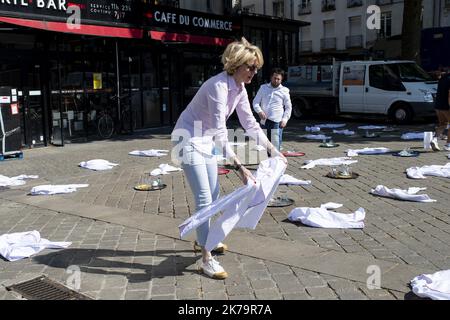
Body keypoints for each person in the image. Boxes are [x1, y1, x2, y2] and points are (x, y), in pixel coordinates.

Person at [171, 38, 286, 280]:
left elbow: (250, 124)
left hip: (206, 140)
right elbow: (220, 132)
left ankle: (204, 239)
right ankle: (206, 258)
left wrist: (273, 150)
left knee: (213, 196)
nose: (255, 72)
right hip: (187, 138)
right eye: (251, 67)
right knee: (204, 196)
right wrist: (240, 167)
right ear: (236, 64)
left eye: (257, 68)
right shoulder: (218, 87)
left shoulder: (240, 88)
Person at [252, 68, 292, 151]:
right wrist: (259, 111)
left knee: (275, 146)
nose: (276, 81)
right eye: (275, 78)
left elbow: (288, 107)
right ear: (271, 77)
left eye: (279, 79)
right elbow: (255, 102)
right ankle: (267, 161)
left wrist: (285, 119)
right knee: (264, 145)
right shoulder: (263, 88)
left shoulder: (284, 90)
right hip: (264, 121)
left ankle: (276, 161)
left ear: (281, 80)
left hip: (277, 122)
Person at [431, 69, 450, 151]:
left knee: (443, 124)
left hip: (438, 106)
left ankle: (434, 139)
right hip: (446, 106)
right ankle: (448, 145)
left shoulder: (443, 78)